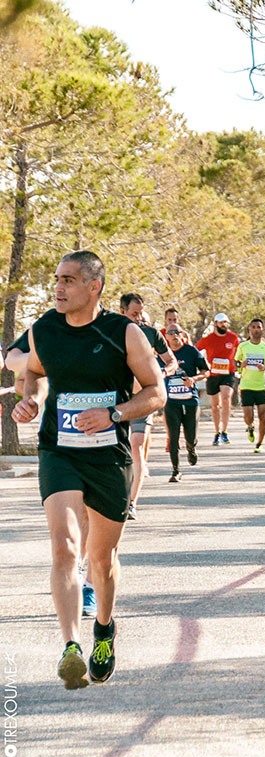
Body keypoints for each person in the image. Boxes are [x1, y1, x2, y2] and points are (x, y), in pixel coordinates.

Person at [13, 251, 166, 688]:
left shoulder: (124, 333)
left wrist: (115, 414)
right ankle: (71, 646)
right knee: (64, 546)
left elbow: (156, 393)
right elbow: (37, 374)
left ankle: (103, 627)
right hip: (58, 450)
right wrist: (34, 400)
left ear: (93, 287)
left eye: (68, 280)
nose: (58, 288)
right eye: (56, 279)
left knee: (102, 558)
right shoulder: (44, 328)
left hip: (108, 455)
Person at [119, 293, 177, 520]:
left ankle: (132, 503)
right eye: (134, 314)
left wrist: (162, 372)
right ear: (122, 311)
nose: (139, 317)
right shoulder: (112, 330)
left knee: (137, 443)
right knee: (119, 448)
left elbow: (171, 361)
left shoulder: (151, 333)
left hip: (144, 399)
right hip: (118, 399)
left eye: (141, 312)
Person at [162, 324, 208, 482]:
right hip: (171, 402)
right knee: (173, 437)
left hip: (190, 400)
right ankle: (176, 470)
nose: (174, 335)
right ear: (166, 336)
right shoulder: (162, 354)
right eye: (170, 333)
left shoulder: (191, 351)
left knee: (191, 435)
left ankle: (191, 447)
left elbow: (205, 371)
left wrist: (193, 379)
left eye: (177, 332)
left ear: (181, 334)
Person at [234, 319, 265, 453]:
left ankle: (259, 443)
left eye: (259, 327)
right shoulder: (243, 346)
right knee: (248, 416)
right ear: (249, 330)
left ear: (262, 329)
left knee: (263, 416)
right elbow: (235, 363)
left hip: (262, 386)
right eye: (253, 327)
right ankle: (250, 426)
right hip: (246, 385)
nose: (256, 329)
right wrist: (241, 366)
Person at [197, 313, 240, 446]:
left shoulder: (233, 337)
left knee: (226, 398)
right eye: (221, 323)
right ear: (215, 323)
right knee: (215, 406)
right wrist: (204, 367)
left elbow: (239, 351)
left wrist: (237, 365)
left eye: (226, 322)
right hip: (213, 375)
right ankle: (217, 432)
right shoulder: (208, 339)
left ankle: (225, 431)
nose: (224, 325)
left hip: (228, 374)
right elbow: (195, 350)